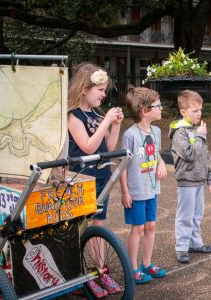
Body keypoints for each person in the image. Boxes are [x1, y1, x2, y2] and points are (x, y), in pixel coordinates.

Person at [67, 63, 124, 297]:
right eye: (99, 90)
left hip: (102, 176)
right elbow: (88, 147)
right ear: (84, 89)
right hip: (82, 179)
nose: (103, 94)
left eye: (104, 90)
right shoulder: (74, 116)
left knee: (98, 224)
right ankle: (82, 275)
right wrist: (106, 122)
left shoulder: (96, 114)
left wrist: (116, 124)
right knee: (80, 228)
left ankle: (100, 270)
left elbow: (108, 147)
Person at [120, 87, 167, 284]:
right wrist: (125, 192)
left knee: (151, 226)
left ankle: (146, 263)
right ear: (144, 110)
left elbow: (156, 154)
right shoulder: (130, 135)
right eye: (157, 106)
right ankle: (131, 269)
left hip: (152, 188)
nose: (161, 108)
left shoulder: (156, 131)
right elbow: (122, 165)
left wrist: (162, 163)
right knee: (137, 228)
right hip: (136, 190)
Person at [169, 90, 211, 264]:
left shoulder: (197, 130)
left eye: (200, 110)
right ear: (184, 112)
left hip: (199, 180)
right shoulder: (180, 132)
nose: (199, 114)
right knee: (185, 216)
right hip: (187, 181)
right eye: (195, 110)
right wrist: (200, 136)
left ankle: (195, 243)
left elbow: (205, 157)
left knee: (197, 215)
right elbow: (189, 154)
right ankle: (181, 247)